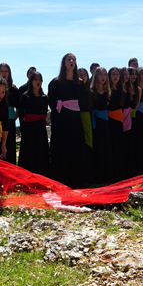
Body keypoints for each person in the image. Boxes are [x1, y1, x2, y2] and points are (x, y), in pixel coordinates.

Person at [48, 53, 89, 188]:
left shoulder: (80, 83)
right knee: (62, 146)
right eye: (69, 59)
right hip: (62, 119)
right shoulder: (56, 82)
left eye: (73, 60)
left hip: (75, 118)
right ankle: (61, 178)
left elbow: (83, 101)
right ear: (64, 63)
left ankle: (76, 177)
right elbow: (52, 102)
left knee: (76, 145)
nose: (71, 61)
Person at [18, 71, 50, 176]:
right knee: (29, 150)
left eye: (39, 79)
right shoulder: (24, 96)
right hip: (28, 127)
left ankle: (42, 173)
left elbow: (45, 112)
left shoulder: (44, 97)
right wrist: (23, 128)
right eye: (35, 79)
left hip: (40, 127)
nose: (38, 81)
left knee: (41, 150)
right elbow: (21, 113)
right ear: (31, 81)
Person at [89, 66, 112, 184]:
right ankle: (96, 174)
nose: (102, 77)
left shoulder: (108, 92)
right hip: (95, 122)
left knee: (105, 146)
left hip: (104, 121)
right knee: (96, 147)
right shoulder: (91, 92)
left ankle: (105, 174)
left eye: (104, 74)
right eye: (100, 74)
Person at [0, 63, 20, 166]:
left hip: (10, 121)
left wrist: (14, 118)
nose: (4, 73)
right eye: (2, 71)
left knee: (10, 147)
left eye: (6, 71)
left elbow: (19, 106)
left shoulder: (14, 89)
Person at [107, 67, 126, 182]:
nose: (115, 76)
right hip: (109, 121)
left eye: (117, 74)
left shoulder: (121, 91)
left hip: (119, 121)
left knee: (119, 147)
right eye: (113, 74)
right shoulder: (107, 91)